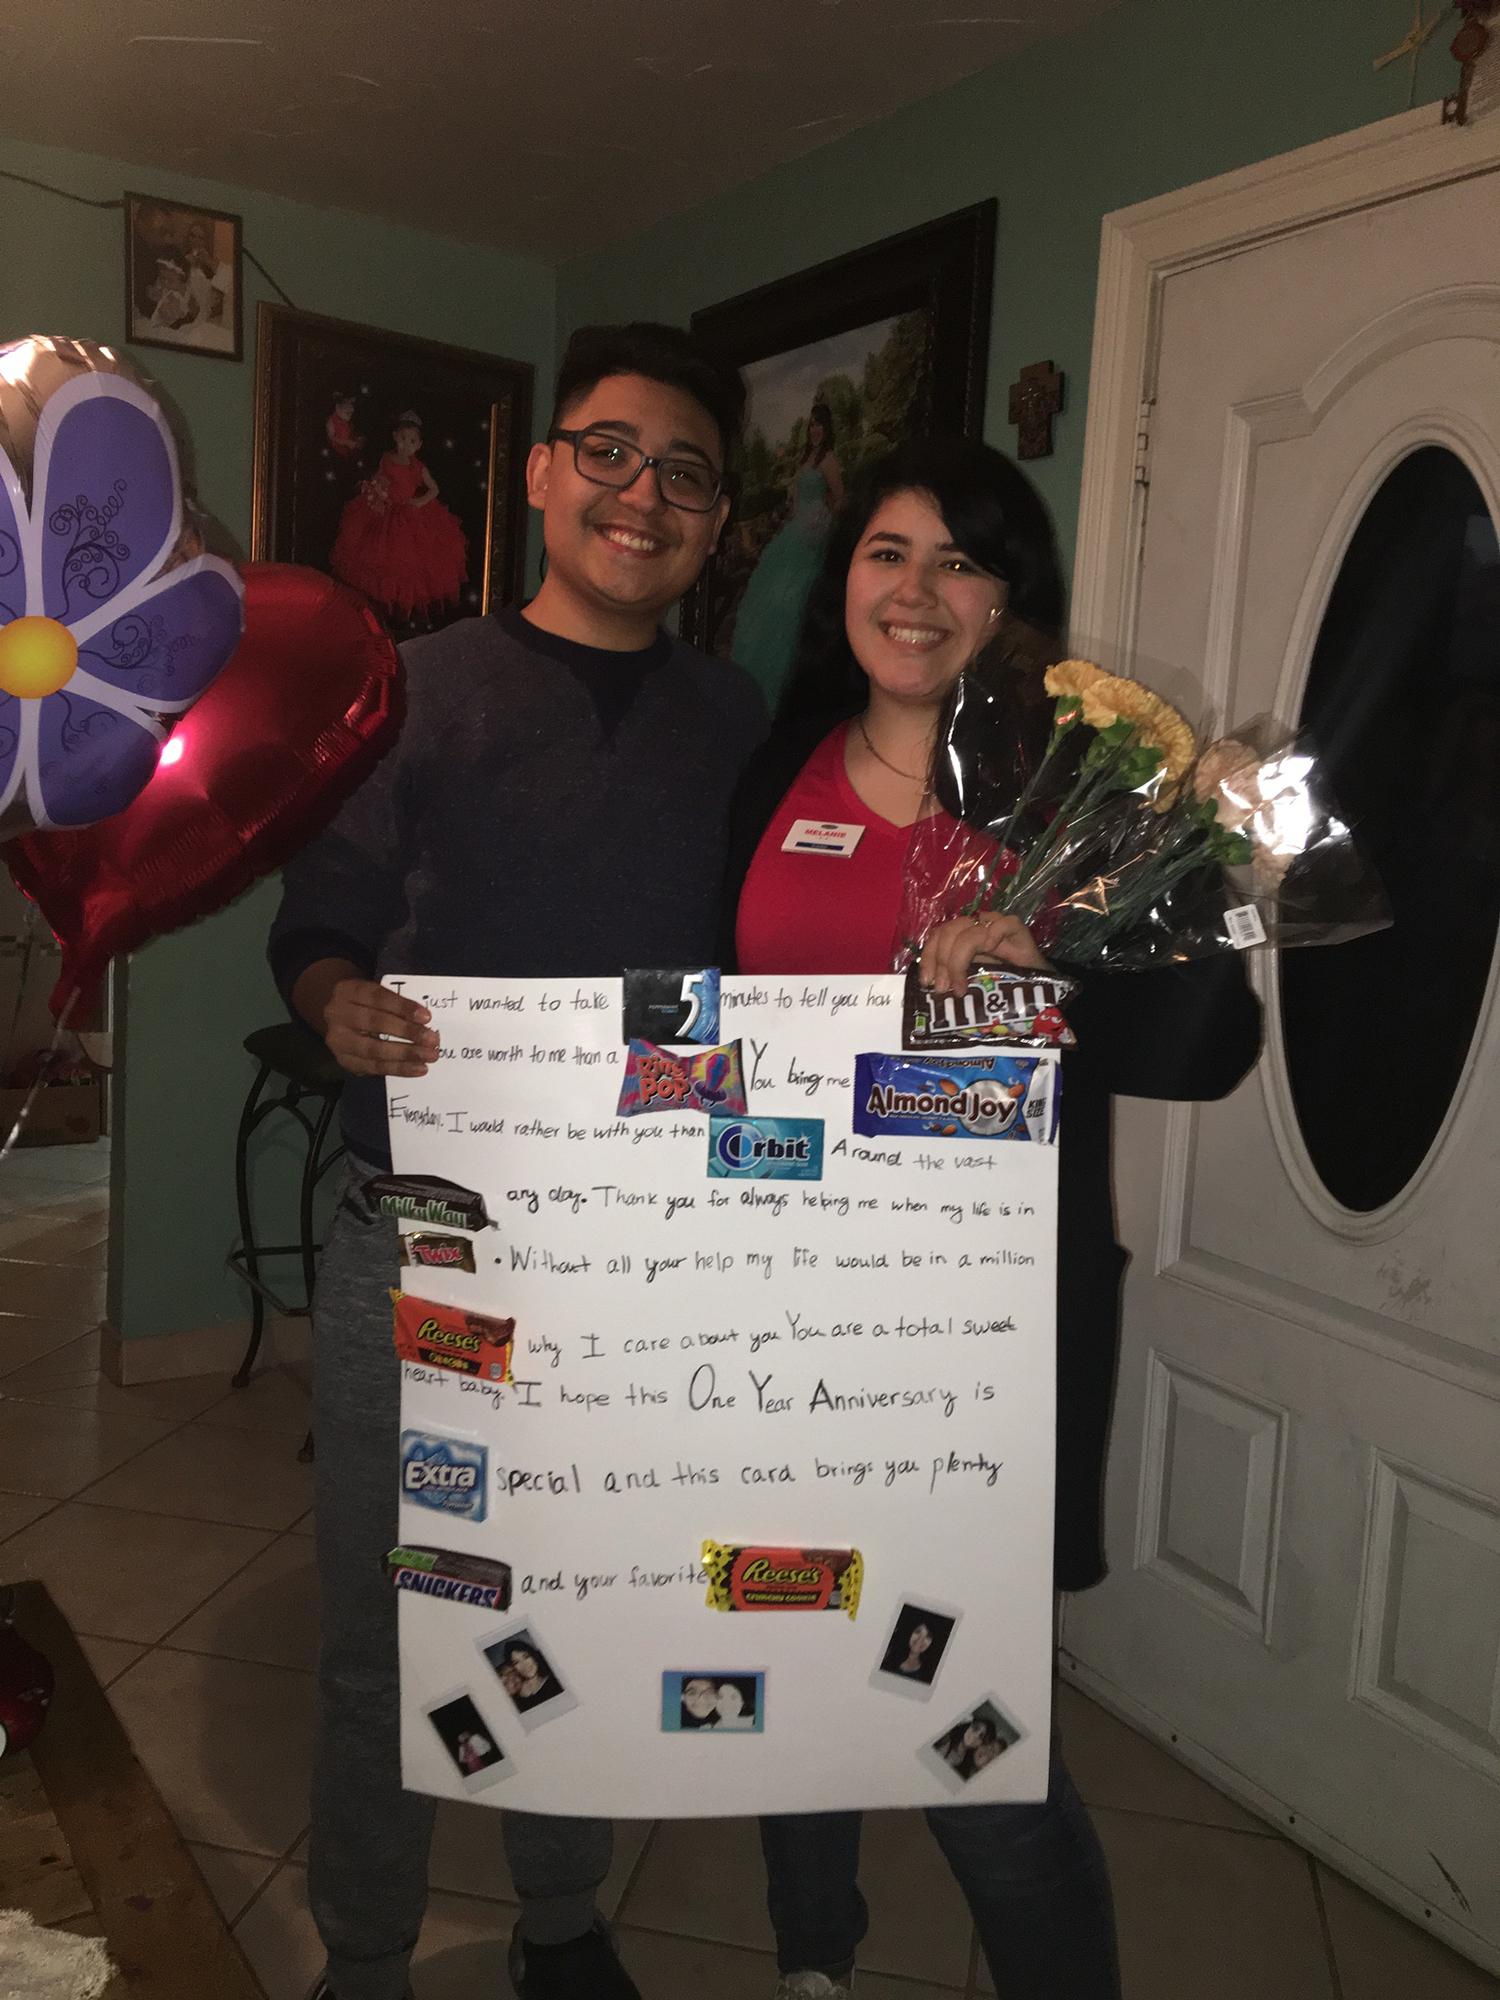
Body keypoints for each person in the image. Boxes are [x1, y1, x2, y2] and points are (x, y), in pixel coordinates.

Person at [725, 434, 1262, 2000]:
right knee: (792, 1640)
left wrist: (1072, 950)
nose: (919, 589)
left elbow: (1209, 1046)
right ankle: (812, 1955)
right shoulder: (776, 767)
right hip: (765, 1297)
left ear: (1009, 601)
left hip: (981, 1334)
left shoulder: (1075, 799)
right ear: (843, 584)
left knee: (971, 1728)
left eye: (961, 560)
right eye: (888, 552)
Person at [269, 320, 764, 2000]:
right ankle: (367, 1953)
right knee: (388, 1620)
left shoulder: (738, 720)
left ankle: (561, 1917)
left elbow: (780, 966)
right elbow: (317, 928)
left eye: (685, 473)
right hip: (421, 1243)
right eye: (610, 452)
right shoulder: (415, 689)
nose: (644, 494)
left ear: (717, 521)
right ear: (545, 474)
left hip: (628, 1253)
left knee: (581, 1597)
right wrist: (336, 1004)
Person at [732, 401, 844, 706]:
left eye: (820, 424)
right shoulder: (806, 458)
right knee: (773, 595)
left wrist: (824, 520)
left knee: (797, 598)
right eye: (812, 425)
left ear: (827, 428)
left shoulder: (829, 459)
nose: (815, 430)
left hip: (813, 535)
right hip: (795, 532)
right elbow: (796, 498)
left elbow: (839, 497)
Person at [328, 410, 469, 624]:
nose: (406, 445)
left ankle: (402, 611)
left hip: (410, 514)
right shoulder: (387, 459)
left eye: (412, 441)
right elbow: (380, 479)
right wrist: (376, 490)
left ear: (419, 445)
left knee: (408, 560)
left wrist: (419, 502)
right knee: (378, 557)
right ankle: (381, 610)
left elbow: (434, 489)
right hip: (387, 512)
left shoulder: (418, 467)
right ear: (395, 437)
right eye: (403, 438)